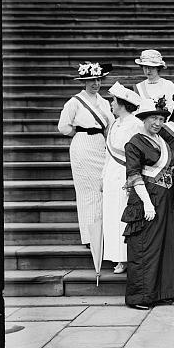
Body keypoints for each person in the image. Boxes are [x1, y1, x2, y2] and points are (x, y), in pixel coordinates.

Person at [121, 97, 174, 310]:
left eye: (160, 118)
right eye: (153, 118)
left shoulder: (163, 142)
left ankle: (163, 292)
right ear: (144, 119)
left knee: (167, 245)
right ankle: (140, 297)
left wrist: (172, 170)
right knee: (145, 247)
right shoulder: (135, 142)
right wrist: (147, 204)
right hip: (146, 198)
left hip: (166, 199)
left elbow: (165, 165)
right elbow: (134, 175)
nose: (157, 123)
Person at [58, 62, 115, 246]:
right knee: (88, 192)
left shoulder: (105, 102)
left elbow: (111, 124)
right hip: (82, 145)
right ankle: (91, 237)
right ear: (84, 81)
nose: (95, 84)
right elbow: (63, 126)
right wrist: (81, 133)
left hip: (100, 144)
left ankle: (104, 233)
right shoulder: (74, 102)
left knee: (103, 188)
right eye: (91, 80)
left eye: (98, 79)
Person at [103, 82, 142, 274]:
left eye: (113, 100)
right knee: (111, 215)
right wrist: (103, 177)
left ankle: (126, 257)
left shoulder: (136, 124)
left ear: (122, 103)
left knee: (123, 215)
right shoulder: (115, 123)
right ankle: (116, 257)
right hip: (111, 174)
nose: (111, 103)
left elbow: (137, 154)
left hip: (125, 175)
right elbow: (108, 154)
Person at [133, 49, 174, 114]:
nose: (148, 71)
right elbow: (136, 110)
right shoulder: (139, 87)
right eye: (145, 67)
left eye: (151, 67)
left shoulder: (168, 84)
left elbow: (171, 106)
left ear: (158, 68)